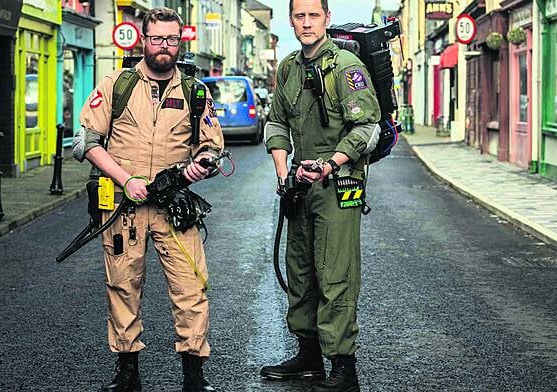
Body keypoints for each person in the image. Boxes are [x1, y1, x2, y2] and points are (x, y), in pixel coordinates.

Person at [73, 7, 223, 392]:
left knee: (191, 288)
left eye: (172, 39)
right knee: (123, 287)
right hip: (125, 210)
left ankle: (194, 377)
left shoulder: (194, 91)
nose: (164, 47)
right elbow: (86, 141)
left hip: (175, 207)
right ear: (144, 39)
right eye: (157, 38)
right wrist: (125, 180)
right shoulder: (116, 84)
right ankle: (127, 375)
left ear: (180, 41)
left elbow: (211, 146)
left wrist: (200, 166)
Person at [260, 0, 381, 391]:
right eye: (299, 15)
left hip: (337, 185)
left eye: (314, 15)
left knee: (335, 274)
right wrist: (284, 171)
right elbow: (277, 121)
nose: (306, 22)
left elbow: (367, 128)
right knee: (300, 271)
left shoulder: (346, 67)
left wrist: (329, 164)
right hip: (300, 186)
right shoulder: (289, 68)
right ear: (291, 20)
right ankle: (308, 356)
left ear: (326, 19)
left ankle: (344, 368)